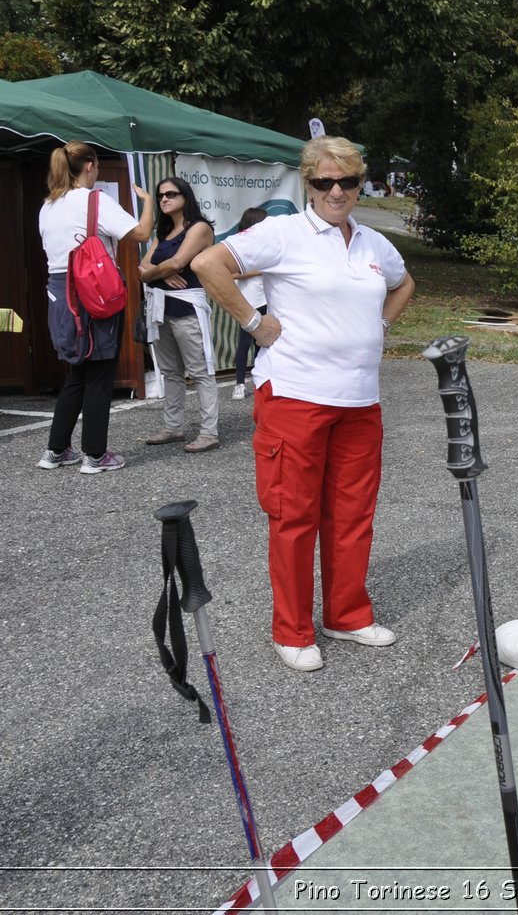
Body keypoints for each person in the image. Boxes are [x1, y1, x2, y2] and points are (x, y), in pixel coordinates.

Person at [192, 136, 416, 672]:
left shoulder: (371, 243)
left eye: (347, 181)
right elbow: (207, 264)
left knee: (353, 516)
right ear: (307, 183)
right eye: (323, 182)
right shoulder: (283, 232)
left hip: (360, 400)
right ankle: (291, 629)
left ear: (361, 184)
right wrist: (253, 321)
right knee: (294, 517)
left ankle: (347, 615)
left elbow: (404, 283)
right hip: (295, 396)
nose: (336, 191)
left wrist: (379, 325)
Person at [36, 141, 156, 474]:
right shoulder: (94, 201)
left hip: (60, 293)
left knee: (77, 372)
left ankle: (56, 450)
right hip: (92, 292)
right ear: (90, 166)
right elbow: (141, 232)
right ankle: (95, 454)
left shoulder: (48, 206)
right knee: (101, 374)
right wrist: (146, 203)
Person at [139, 177, 219, 452]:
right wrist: (160, 274)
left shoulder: (199, 228)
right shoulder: (163, 232)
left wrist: (155, 273)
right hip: (162, 308)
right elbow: (141, 268)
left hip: (187, 307)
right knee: (171, 372)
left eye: (171, 194)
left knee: (200, 371)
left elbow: (177, 262)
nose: (164, 199)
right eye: (160, 195)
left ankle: (209, 432)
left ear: (185, 196)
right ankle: (173, 427)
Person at [230, 206, 270, 400]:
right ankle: (239, 384)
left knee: (261, 342)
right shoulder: (239, 245)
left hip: (265, 298)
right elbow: (232, 273)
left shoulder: (267, 245)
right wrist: (260, 271)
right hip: (246, 301)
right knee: (244, 343)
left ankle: (258, 381)